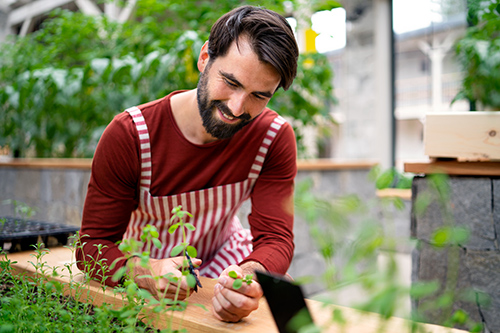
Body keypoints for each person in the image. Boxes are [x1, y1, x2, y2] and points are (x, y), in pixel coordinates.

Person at [76, 5, 299, 323]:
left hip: (225, 262)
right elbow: (91, 248)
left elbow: (275, 237)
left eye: (259, 96)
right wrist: (147, 270)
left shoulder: (273, 137)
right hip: (145, 261)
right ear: (205, 57)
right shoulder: (132, 134)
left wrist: (249, 278)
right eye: (230, 82)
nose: (237, 108)